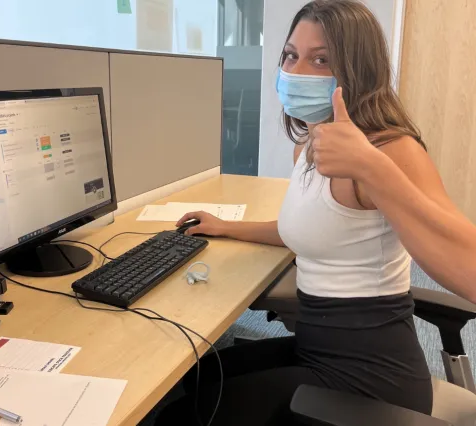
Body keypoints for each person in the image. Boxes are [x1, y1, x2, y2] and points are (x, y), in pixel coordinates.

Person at [155, 0, 476, 424]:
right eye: (291, 55)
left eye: (321, 59)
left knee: (179, 417)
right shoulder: (309, 146)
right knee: (197, 378)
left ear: (357, 71)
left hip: (370, 378)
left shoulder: (391, 150)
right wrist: (228, 227)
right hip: (317, 344)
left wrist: (373, 169)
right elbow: (310, 228)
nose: (297, 72)